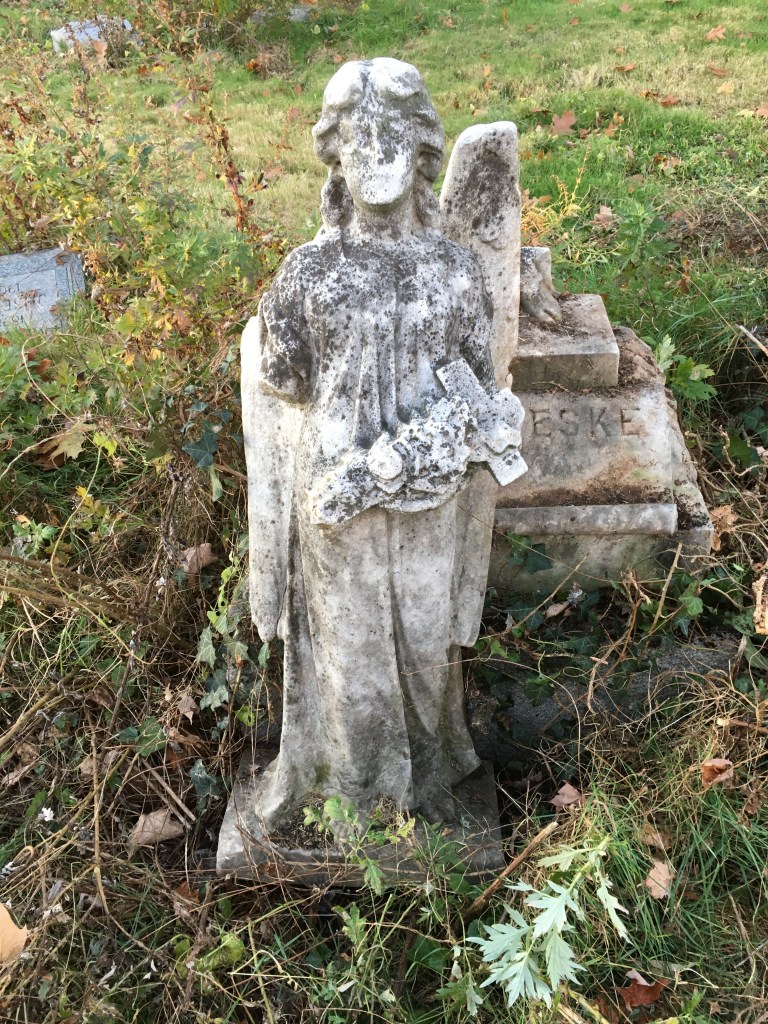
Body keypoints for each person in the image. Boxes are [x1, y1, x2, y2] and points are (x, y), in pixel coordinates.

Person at [241, 58, 503, 831]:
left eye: (392, 134)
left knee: (424, 640)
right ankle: (355, 801)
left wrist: (459, 433)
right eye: (359, 137)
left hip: (431, 489)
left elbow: (479, 380)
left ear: (423, 148)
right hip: (337, 488)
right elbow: (284, 379)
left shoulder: (455, 271)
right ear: (334, 152)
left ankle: (427, 786)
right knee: (349, 651)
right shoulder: (307, 272)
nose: (376, 153)